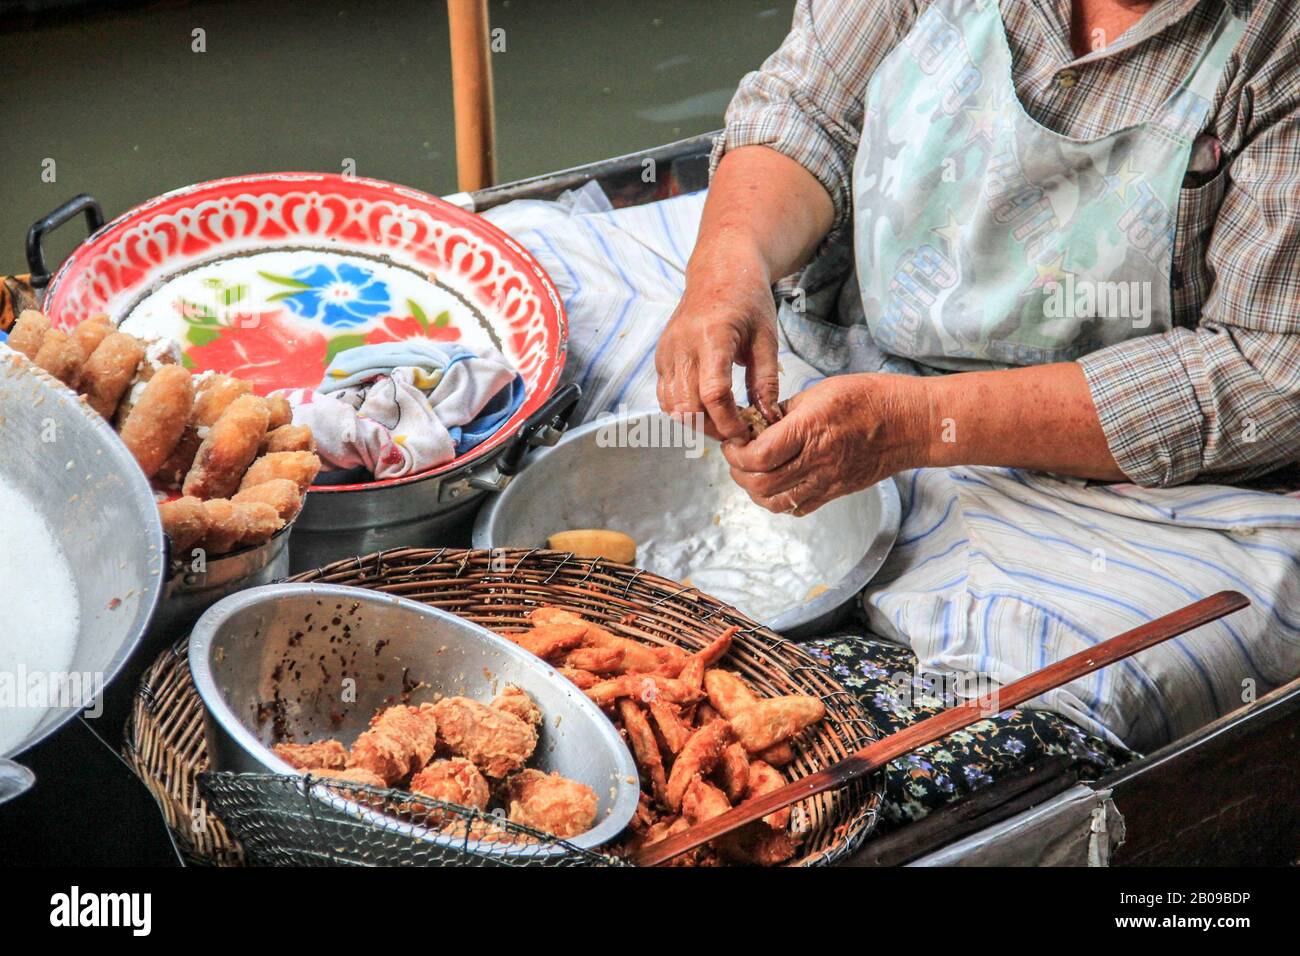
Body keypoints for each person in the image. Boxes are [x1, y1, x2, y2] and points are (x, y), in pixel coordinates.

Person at [488, 0, 1300, 826]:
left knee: (1077, 672)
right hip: (851, 334)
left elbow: (1268, 370)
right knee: (521, 274)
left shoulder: (1279, 37)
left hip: (1115, 482)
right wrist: (728, 270)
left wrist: (919, 425)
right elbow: (805, 108)